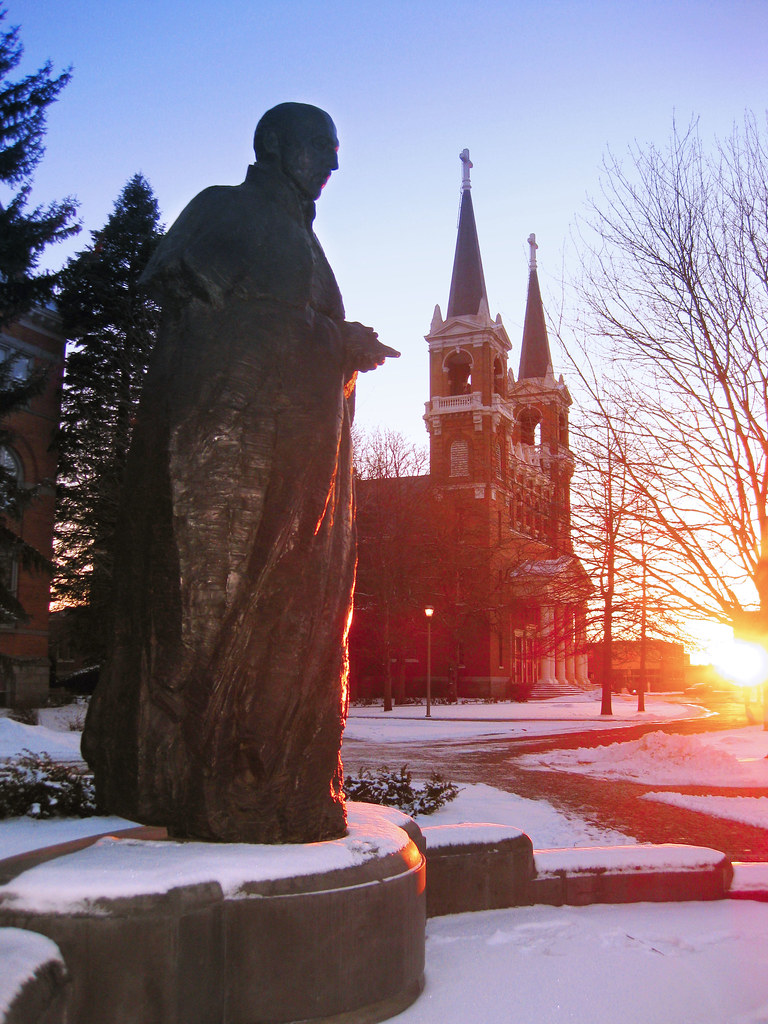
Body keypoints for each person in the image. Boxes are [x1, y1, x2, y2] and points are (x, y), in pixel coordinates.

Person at [81, 103, 397, 843]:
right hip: (229, 465)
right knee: (204, 624)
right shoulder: (227, 212)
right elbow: (204, 315)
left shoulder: (304, 241)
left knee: (297, 613)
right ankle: (210, 778)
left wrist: (336, 346)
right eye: (321, 146)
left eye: (336, 148)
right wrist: (329, 339)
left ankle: (274, 777)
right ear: (275, 145)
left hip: (300, 473)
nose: (333, 163)